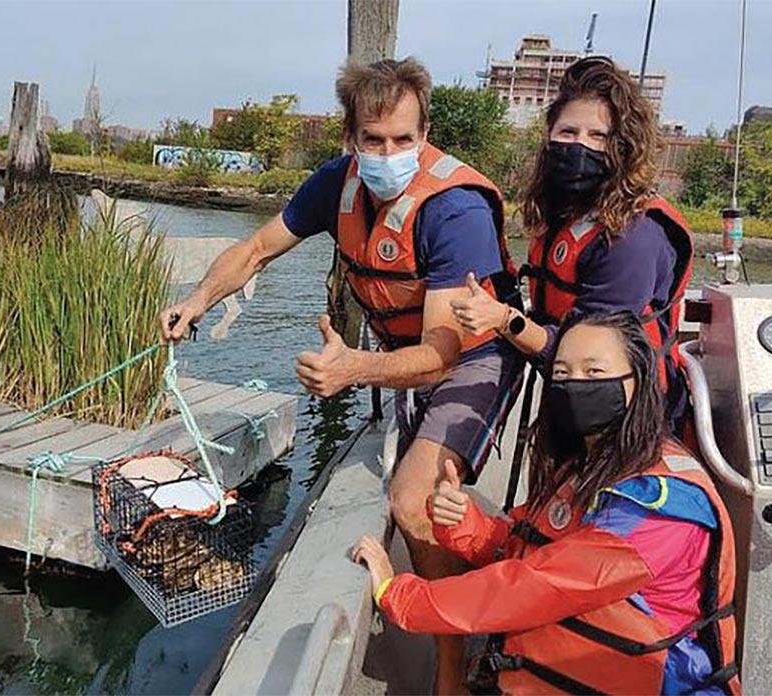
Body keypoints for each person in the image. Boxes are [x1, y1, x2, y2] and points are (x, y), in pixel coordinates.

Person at [160, 57, 521, 693]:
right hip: (396, 357)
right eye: (374, 140)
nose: (389, 153)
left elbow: (441, 354)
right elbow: (253, 250)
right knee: (423, 502)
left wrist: (353, 368)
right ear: (350, 138)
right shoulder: (336, 184)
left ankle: (451, 672)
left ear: (424, 132)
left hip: (471, 358)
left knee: (414, 501)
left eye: (404, 140)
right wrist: (198, 301)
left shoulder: (455, 209)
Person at [353, 310, 741, 696]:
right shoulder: (587, 464)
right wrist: (464, 524)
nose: (575, 385)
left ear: (637, 382)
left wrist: (399, 594)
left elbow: (537, 585)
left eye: (594, 373)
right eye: (561, 374)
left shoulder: (664, 506)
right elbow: (526, 545)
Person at [449, 56, 694, 436]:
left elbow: (590, 351)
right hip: (567, 391)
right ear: (549, 137)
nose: (580, 145)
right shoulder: (564, 214)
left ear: (624, 147)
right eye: (568, 132)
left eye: (598, 136)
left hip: (629, 413)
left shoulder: (636, 236)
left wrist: (502, 320)